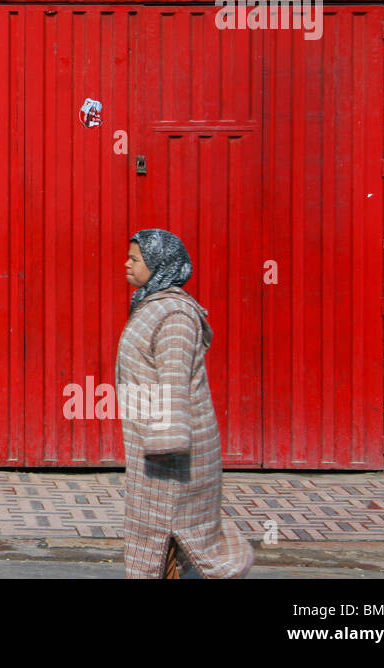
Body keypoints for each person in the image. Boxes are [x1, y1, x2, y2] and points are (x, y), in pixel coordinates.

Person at [116, 228, 254, 579]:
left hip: (172, 450)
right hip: (153, 444)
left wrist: (165, 446)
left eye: (135, 259)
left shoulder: (174, 315)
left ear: (158, 263)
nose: (127, 265)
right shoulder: (152, 306)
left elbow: (174, 381)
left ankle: (228, 568)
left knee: (173, 532)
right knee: (157, 532)